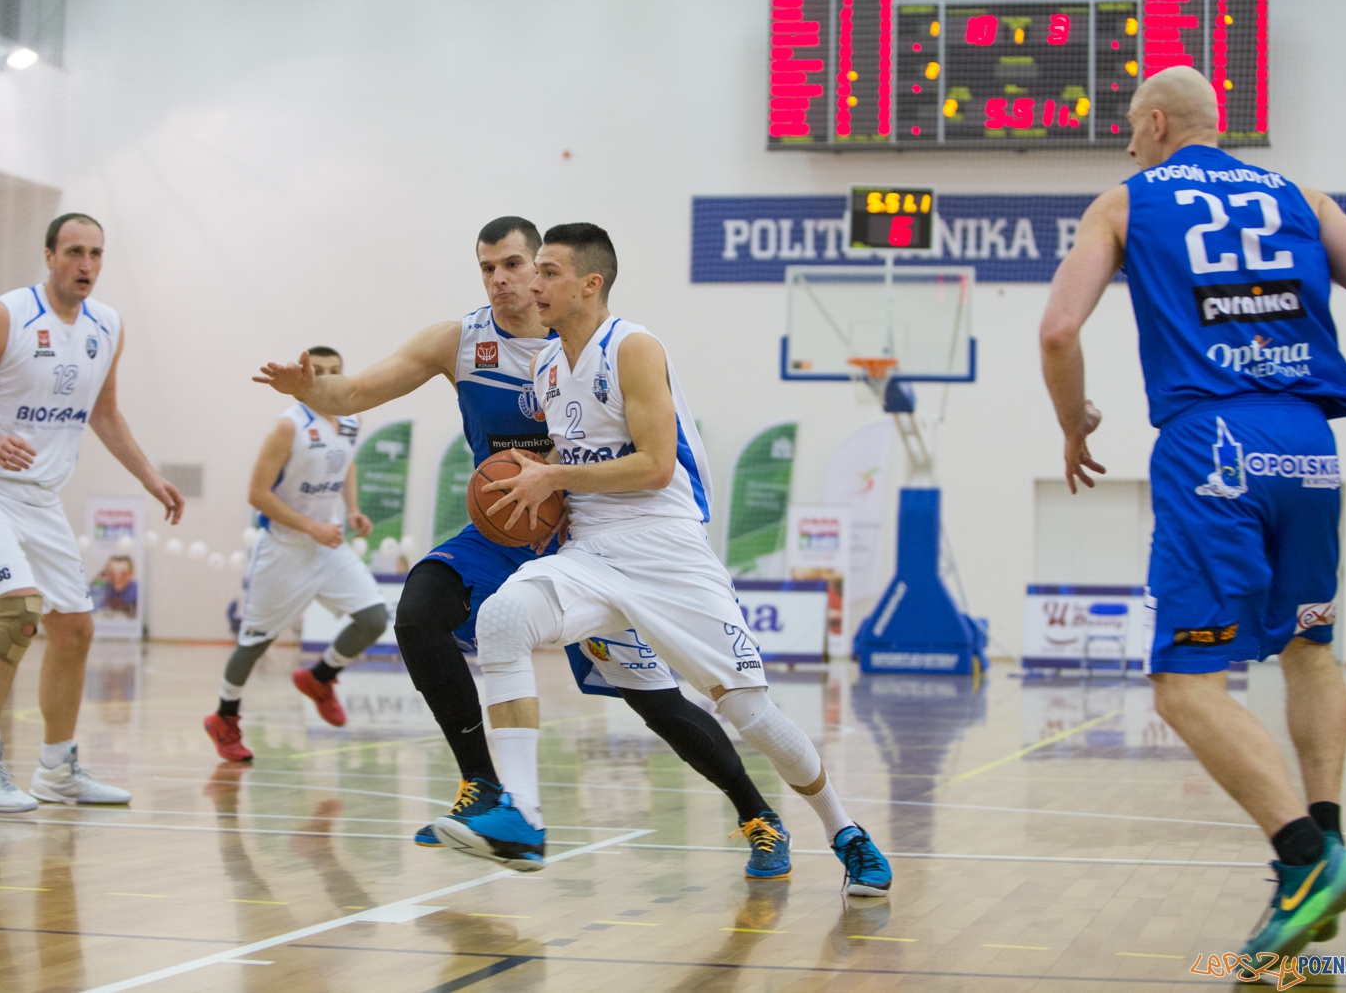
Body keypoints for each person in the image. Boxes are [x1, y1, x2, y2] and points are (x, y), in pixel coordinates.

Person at [256, 217, 794, 879]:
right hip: (507, 525)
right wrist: (306, 387)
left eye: (515, 264)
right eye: (488, 268)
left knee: (657, 703)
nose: (503, 280)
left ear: (541, 267)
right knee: (420, 610)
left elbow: (657, 452)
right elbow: (357, 391)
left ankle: (758, 814)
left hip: (593, 535)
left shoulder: (586, 336)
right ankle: (483, 787)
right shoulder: (459, 340)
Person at [430, 222, 892, 894]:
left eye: (548, 271)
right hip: (590, 551)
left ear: (591, 283)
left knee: (750, 713)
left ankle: (844, 829)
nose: (532, 284)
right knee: (503, 619)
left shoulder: (635, 348)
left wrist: (552, 478)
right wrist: (537, 482)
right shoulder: (548, 366)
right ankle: (522, 817)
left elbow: (653, 465)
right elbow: (579, 454)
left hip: (667, 550)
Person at [1039, 66, 1346, 957]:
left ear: (1157, 122)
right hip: (1309, 441)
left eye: (1129, 127)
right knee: (1310, 645)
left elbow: (1058, 330)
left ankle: (1303, 855)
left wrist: (1072, 422)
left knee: (1184, 682)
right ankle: (1327, 841)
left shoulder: (1125, 201)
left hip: (1213, 444)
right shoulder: (1302, 196)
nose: (1126, 144)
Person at [0, 212, 185, 813]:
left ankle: (57, 768)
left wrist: (150, 476)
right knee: (19, 613)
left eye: (96, 254)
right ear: (49, 256)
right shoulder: (5, 315)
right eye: (75, 251)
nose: (86, 265)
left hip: (39, 497)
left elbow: (104, 413)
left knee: (75, 628)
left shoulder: (107, 325)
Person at [204, 345, 387, 761]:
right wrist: (311, 526)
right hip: (284, 549)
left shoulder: (352, 418)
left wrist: (354, 509)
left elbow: (347, 465)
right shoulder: (288, 426)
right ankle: (224, 718)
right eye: (317, 371)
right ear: (303, 376)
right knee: (254, 644)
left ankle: (320, 678)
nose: (324, 378)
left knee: (374, 617)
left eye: (334, 372)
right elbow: (256, 495)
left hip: (328, 546)